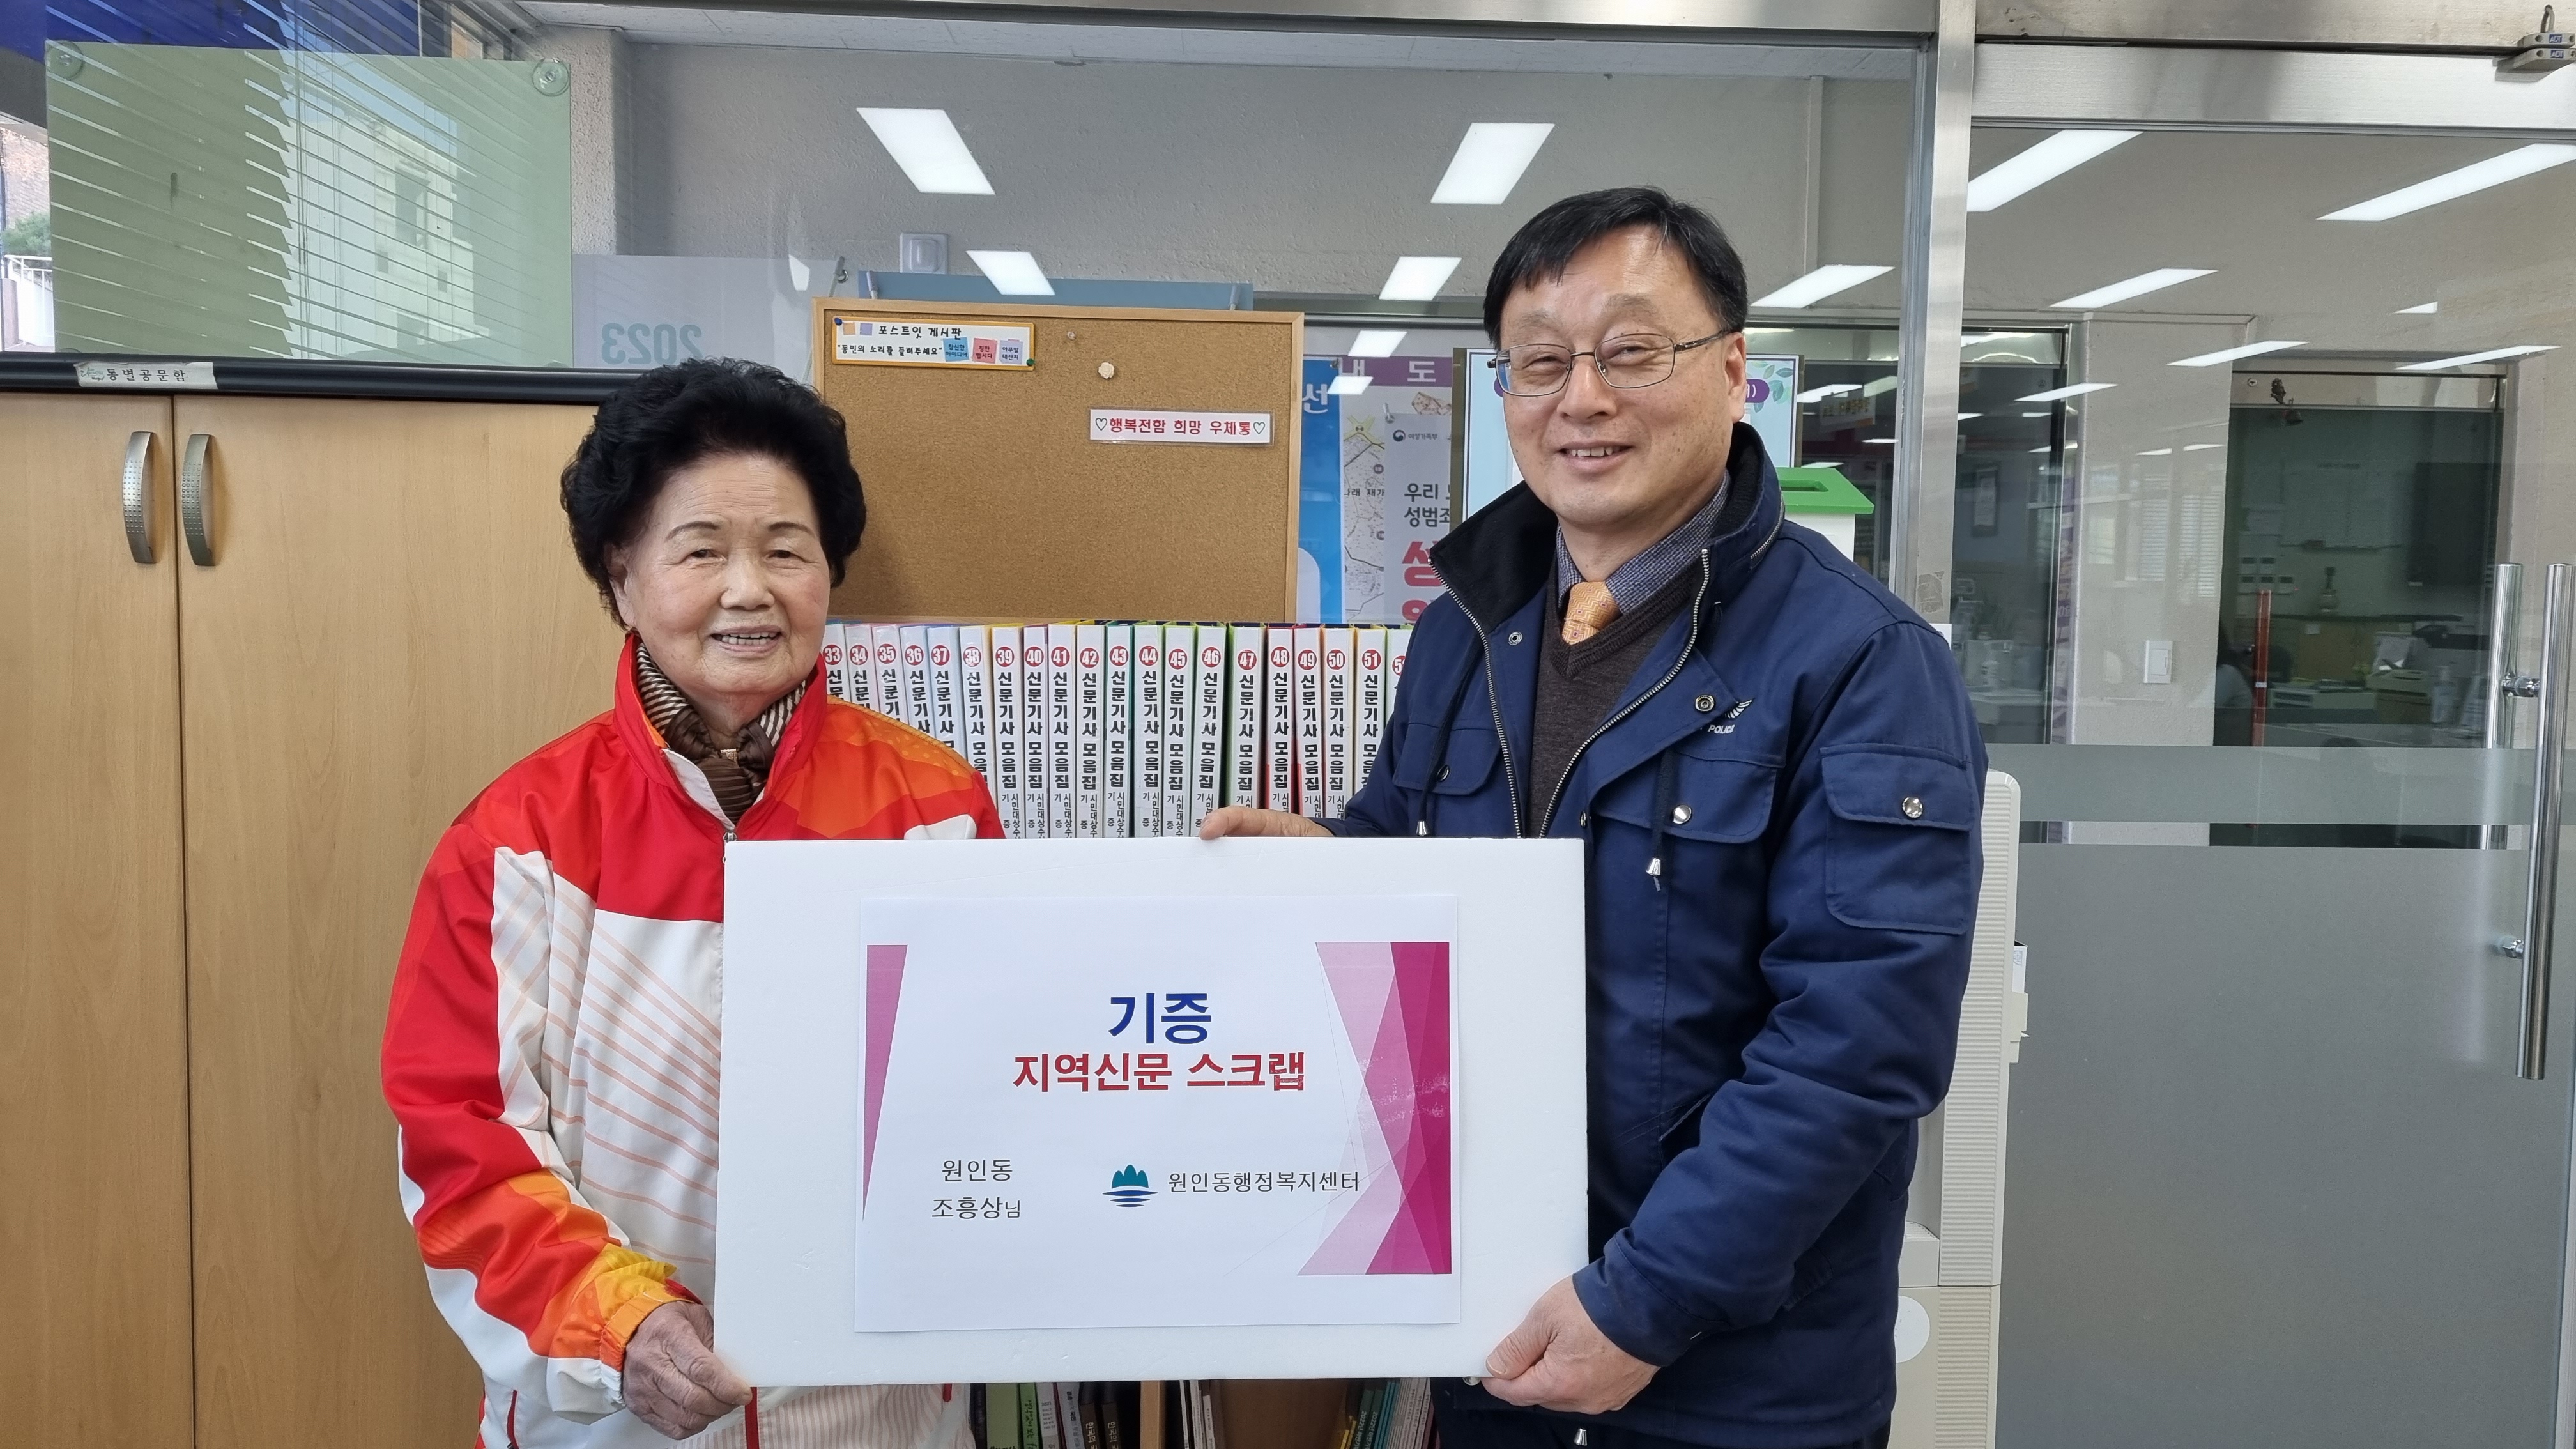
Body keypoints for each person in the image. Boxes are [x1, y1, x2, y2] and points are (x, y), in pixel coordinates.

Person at [1202, 188, 1983, 1449]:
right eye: (1540, 361)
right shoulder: (1465, 630)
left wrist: (1645, 1302)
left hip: (1737, 1384)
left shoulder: (1861, 660)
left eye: (1630, 351)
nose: (1582, 399)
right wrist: (1334, 870)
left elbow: (1855, 1046)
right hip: (1496, 1334)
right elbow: (1419, 865)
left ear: (1732, 369)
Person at [381, 359, 1000, 1448]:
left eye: (786, 550)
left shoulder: (938, 810)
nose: (749, 589)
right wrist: (621, 1326)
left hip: (874, 1416)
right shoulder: (517, 838)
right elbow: (460, 1144)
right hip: (605, 1415)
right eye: (702, 549)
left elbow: (999, 1090)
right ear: (621, 575)